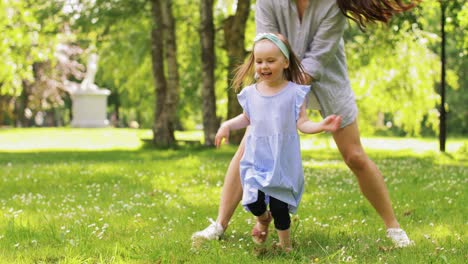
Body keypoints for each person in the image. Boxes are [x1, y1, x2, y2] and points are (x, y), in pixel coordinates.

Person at [192, 0, 416, 247]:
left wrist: (292, 95)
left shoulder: (333, 4)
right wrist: (274, 91)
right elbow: (264, 43)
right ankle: (220, 225)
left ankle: (394, 228)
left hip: (327, 78)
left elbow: (319, 55)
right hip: (276, 79)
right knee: (248, 146)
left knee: (354, 156)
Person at [212, 33, 342, 251]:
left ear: (285, 62)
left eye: (270, 61)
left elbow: (303, 123)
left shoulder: (295, 93)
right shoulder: (251, 93)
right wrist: (226, 126)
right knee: (252, 200)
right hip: (257, 158)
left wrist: (321, 126)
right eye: (259, 61)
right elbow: (247, 118)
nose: (264, 66)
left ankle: (285, 246)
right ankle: (263, 219)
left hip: (282, 160)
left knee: (280, 207)